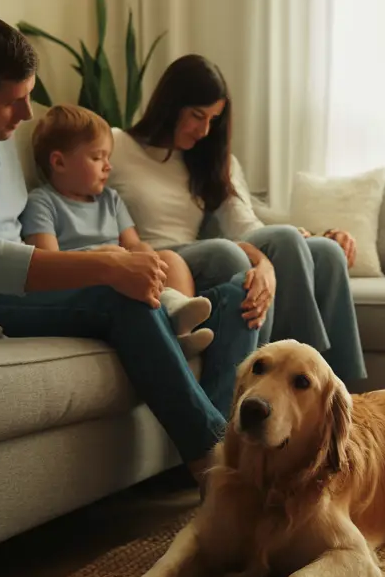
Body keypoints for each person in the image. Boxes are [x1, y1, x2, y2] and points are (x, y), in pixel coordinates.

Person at [0, 15, 258, 481]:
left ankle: (237, 447)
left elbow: (20, 233)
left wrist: (98, 260)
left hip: (18, 286)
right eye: (14, 102)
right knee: (119, 293)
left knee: (238, 297)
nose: (26, 115)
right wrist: (100, 267)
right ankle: (215, 465)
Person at [107, 54, 366, 382]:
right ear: (170, 105)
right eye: (196, 116)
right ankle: (306, 381)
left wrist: (312, 235)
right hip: (164, 260)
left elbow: (245, 225)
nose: (204, 130)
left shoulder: (209, 160)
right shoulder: (117, 144)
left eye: (212, 120)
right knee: (231, 251)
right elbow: (79, 195)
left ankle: (347, 395)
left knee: (326, 254)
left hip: (207, 251)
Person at [22, 103, 214, 357]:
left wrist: (148, 257)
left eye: (108, 158)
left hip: (121, 267)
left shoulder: (110, 200)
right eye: (96, 157)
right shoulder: (43, 202)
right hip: (86, 280)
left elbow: (134, 243)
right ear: (59, 162)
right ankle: (171, 322)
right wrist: (103, 257)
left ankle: (180, 332)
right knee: (123, 267)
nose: (107, 166)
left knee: (170, 259)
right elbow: (47, 260)